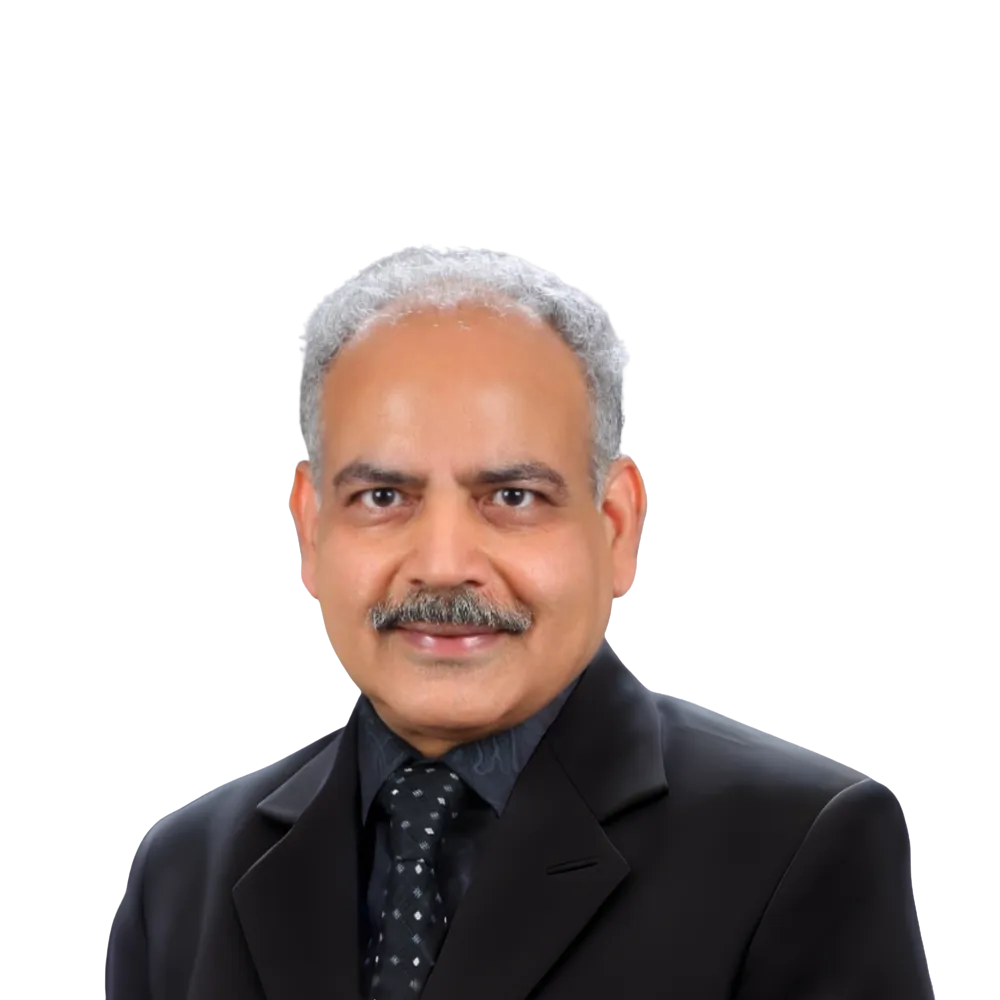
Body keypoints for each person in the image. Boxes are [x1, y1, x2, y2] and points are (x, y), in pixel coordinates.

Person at [106, 243, 933, 998]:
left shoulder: (799, 846)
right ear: (311, 527)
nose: (442, 563)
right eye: (383, 496)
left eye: (512, 496)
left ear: (616, 526)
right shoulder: (185, 872)